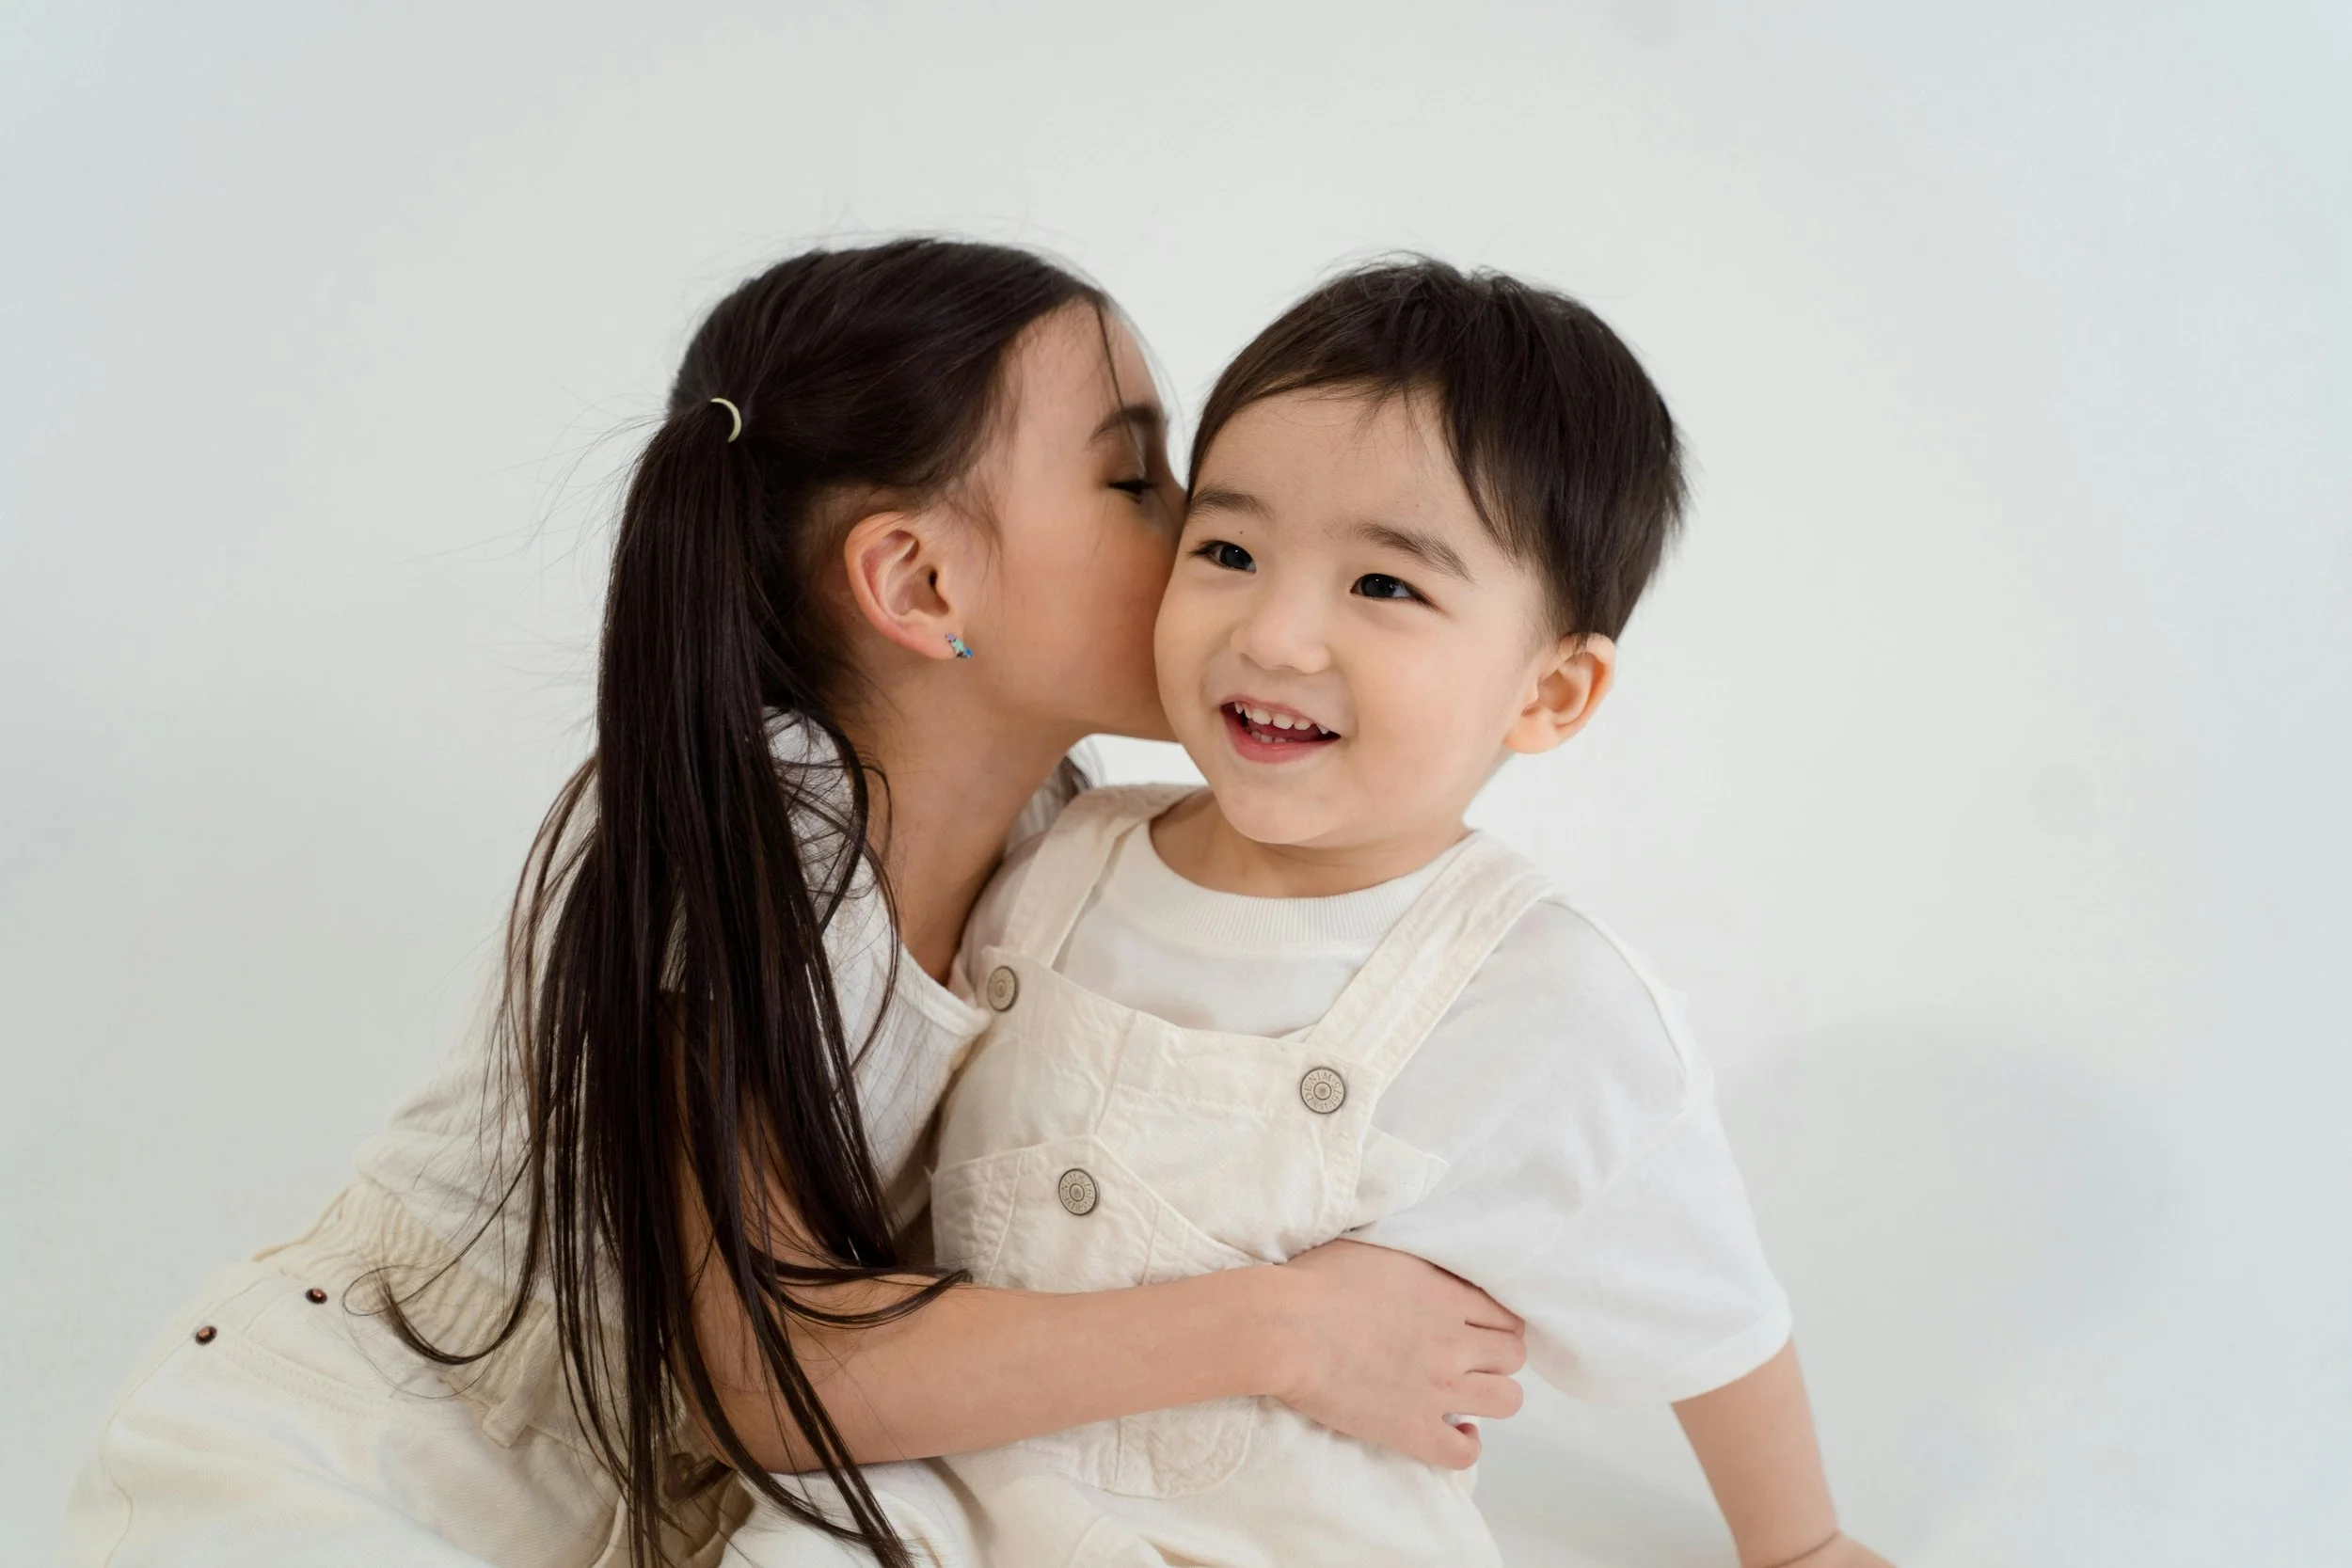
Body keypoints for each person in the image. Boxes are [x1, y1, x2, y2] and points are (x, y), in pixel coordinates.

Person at [61, 239, 1531, 1568]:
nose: (1204, 523)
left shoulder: (1069, 839)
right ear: (919, 581)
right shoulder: (767, 811)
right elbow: (776, 1368)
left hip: (691, 1503)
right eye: (1133, 478)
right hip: (371, 1450)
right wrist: (1286, 1332)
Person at [919, 260, 1896, 1567]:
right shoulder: (1059, 862)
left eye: (1384, 586)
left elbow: (1715, 1320)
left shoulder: (1541, 996)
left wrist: (1802, 1543)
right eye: (1228, 551)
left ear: (1548, 694)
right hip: (933, 1504)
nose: (1274, 634)